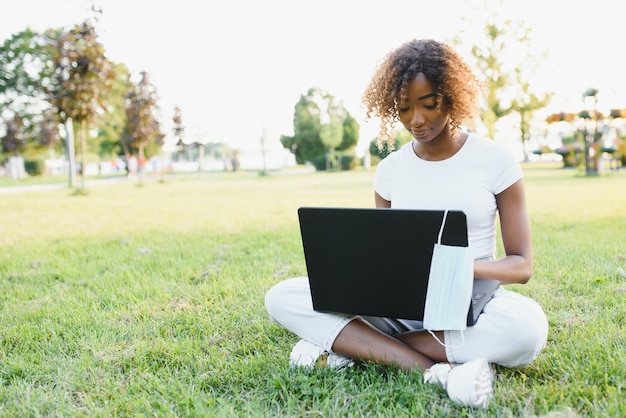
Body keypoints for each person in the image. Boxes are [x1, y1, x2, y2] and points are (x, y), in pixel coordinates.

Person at [265, 38, 548, 409]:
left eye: (429, 104)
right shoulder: (391, 170)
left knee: (527, 328)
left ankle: (356, 347)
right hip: (400, 305)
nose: (416, 119)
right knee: (283, 296)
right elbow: (386, 251)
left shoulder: (496, 161)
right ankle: (437, 371)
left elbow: (521, 265)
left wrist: (458, 267)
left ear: (451, 96)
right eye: (403, 108)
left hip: (468, 301)